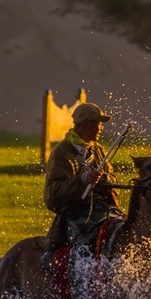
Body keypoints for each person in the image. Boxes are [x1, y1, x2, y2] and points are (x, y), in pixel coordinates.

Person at [43, 103, 123, 255]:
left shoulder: (98, 149)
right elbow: (52, 195)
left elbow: (113, 179)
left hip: (104, 211)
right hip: (76, 216)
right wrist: (83, 180)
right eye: (99, 124)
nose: (101, 128)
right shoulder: (61, 153)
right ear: (87, 124)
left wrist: (106, 179)